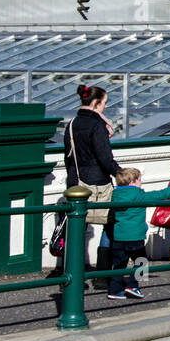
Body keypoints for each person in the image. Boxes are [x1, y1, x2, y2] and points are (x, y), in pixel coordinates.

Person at [63, 84, 123, 285]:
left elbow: (68, 158)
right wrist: (121, 174)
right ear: (96, 103)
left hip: (75, 181)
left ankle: (73, 277)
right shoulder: (97, 126)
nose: (106, 107)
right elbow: (105, 158)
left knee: (77, 230)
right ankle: (102, 276)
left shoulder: (71, 124)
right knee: (110, 224)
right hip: (97, 182)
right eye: (105, 103)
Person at [108, 167, 170, 299]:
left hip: (119, 236)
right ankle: (133, 285)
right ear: (132, 181)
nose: (141, 183)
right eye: (139, 180)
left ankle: (114, 290)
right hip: (135, 236)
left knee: (119, 264)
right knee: (141, 260)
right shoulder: (138, 195)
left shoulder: (115, 195)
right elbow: (157, 195)